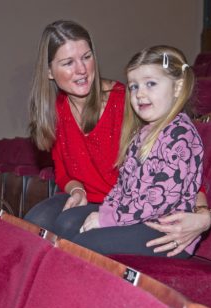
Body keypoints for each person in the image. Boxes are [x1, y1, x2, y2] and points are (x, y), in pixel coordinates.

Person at [25, 20, 211, 257]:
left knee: (69, 228)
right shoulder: (55, 112)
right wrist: (77, 191)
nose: (81, 70)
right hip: (108, 204)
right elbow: (63, 173)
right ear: (50, 72)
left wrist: (203, 215)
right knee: (32, 224)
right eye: (68, 63)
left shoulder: (131, 101)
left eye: (86, 57)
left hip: (135, 211)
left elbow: (179, 174)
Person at [76, 45, 203, 256]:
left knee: (87, 244)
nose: (140, 93)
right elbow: (123, 184)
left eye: (150, 84)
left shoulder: (180, 133)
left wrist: (109, 219)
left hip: (167, 232)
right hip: (141, 220)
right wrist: (105, 211)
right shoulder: (142, 133)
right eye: (134, 86)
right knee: (75, 230)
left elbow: (160, 199)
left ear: (178, 88)